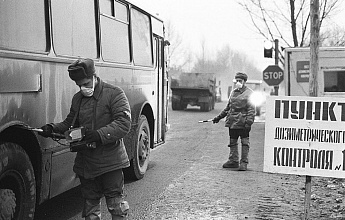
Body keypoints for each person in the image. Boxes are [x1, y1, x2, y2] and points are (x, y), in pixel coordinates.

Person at [39, 58, 132, 220]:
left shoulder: (114, 93)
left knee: (116, 206)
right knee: (91, 209)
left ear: (94, 76)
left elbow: (124, 123)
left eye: (86, 84)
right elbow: (70, 123)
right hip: (87, 163)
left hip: (110, 161)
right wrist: (52, 128)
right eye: (79, 85)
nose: (83, 88)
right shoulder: (78, 99)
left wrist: (99, 135)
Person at [212, 72, 255, 171]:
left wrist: (249, 122)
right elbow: (228, 108)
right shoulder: (233, 92)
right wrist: (218, 117)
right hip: (232, 122)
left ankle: (244, 162)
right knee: (232, 142)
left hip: (243, 121)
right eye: (237, 81)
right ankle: (233, 160)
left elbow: (251, 110)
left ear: (244, 82)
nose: (238, 82)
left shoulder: (250, 93)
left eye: (240, 81)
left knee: (245, 142)